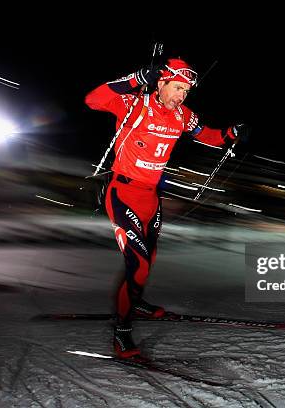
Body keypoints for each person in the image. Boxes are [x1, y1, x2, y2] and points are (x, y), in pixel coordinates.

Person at [85, 58, 244, 358]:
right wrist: (136, 77)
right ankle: (121, 333)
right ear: (161, 82)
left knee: (149, 258)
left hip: (150, 198)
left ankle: (136, 299)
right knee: (138, 265)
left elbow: (208, 135)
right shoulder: (134, 105)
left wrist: (230, 134)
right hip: (123, 193)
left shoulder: (182, 115)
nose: (181, 96)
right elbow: (93, 99)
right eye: (177, 88)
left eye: (186, 91)